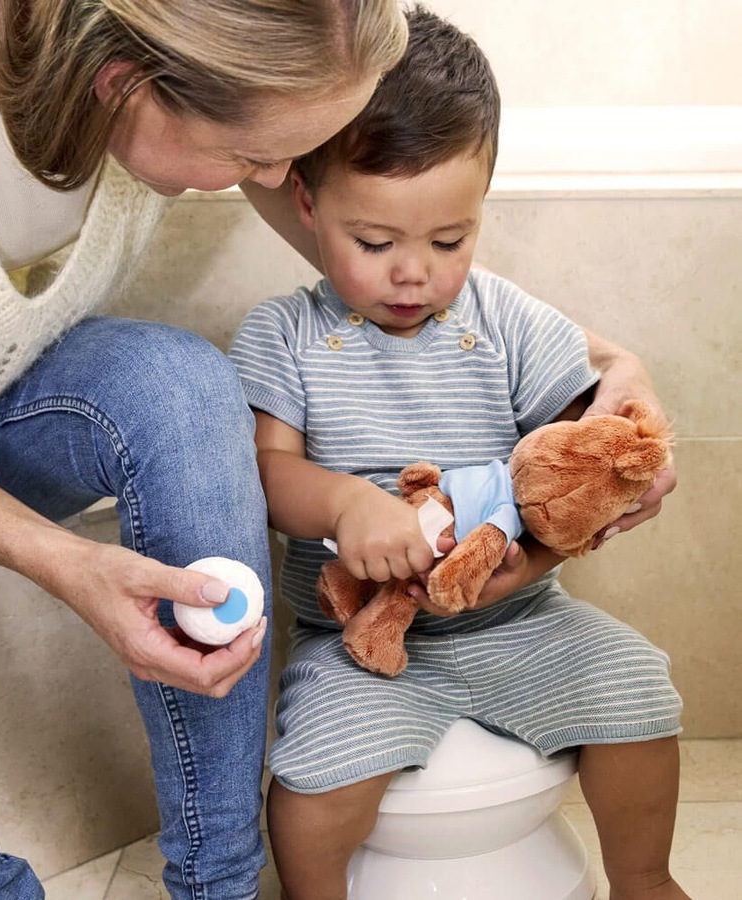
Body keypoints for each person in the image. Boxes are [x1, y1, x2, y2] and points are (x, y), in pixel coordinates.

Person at [0, 1, 410, 898]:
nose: (273, 180)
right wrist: (65, 565)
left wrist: (592, 373)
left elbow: (392, 255)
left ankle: (219, 885)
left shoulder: (192, 64)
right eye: (250, 158)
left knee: (181, 387)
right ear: (124, 84)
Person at [229, 8, 688, 900]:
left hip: (520, 618)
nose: (416, 274)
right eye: (376, 243)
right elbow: (269, 473)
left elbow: (581, 445)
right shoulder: (284, 335)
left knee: (637, 686)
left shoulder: (506, 318)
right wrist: (346, 506)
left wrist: (600, 491)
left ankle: (644, 880)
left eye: (450, 240)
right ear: (310, 207)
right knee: (314, 774)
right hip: (363, 637)